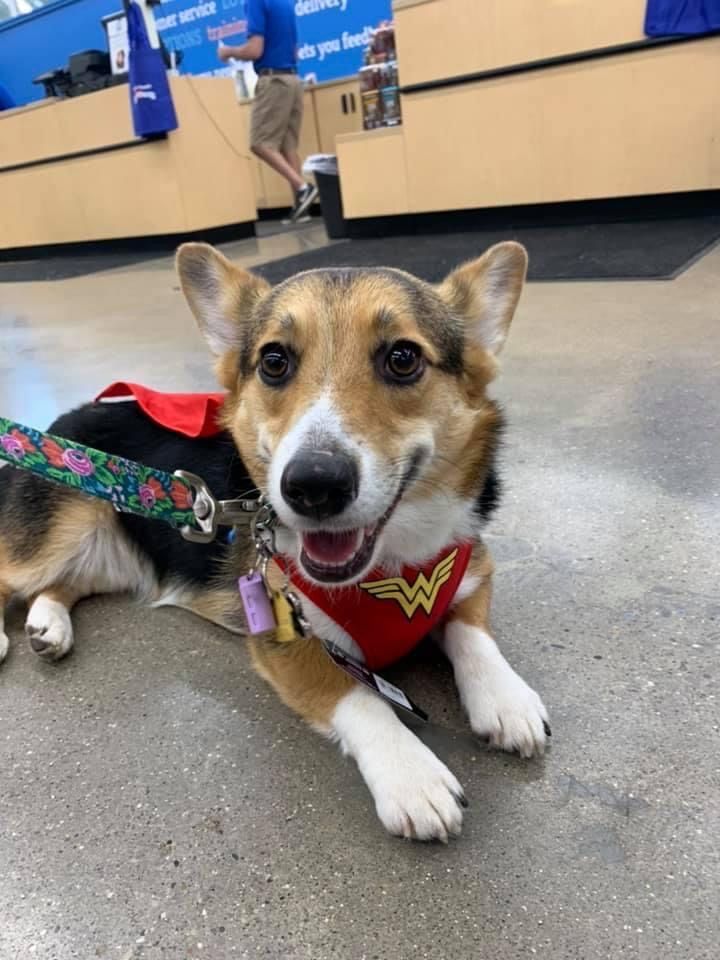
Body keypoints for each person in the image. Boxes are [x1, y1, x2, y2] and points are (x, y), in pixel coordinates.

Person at [218, 0, 318, 223]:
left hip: (273, 80)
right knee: (288, 146)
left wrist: (228, 51)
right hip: (292, 78)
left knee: (260, 143)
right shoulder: (286, 2)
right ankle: (302, 209)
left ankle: (303, 189)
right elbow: (294, 50)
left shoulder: (255, 2)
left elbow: (255, 49)